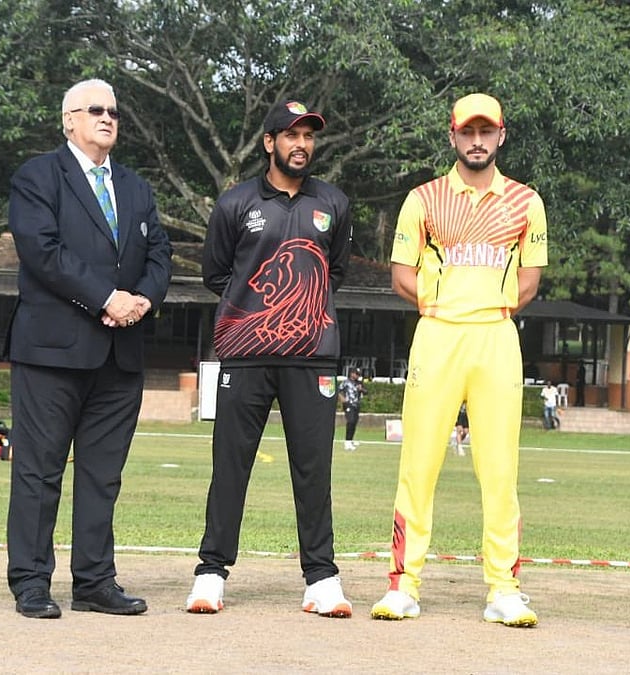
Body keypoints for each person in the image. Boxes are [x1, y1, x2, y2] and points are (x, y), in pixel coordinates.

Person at [370, 93, 547, 626]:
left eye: (486, 132)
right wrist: (443, 305)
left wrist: (486, 308)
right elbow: (401, 272)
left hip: (496, 337)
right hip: (438, 336)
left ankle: (504, 589)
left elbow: (531, 279)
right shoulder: (422, 199)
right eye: (467, 132)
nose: (477, 141)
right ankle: (403, 585)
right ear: (453, 136)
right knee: (418, 464)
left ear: (501, 136)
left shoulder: (525, 200)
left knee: (500, 469)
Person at [5, 78, 171, 620]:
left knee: (103, 475)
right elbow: (41, 250)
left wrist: (141, 300)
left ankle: (95, 581)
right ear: (68, 119)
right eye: (95, 110)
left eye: (114, 112)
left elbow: (160, 254)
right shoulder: (38, 176)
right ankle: (31, 581)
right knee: (39, 470)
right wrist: (105, 297)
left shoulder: (136, 188)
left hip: (120, 354)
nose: (107, 118)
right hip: (52, 351)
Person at [185, 99, 354, 617]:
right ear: (269, 142)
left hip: (313, 355)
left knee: (313, 468)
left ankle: (322, 579)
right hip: (245, 353)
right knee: (230, 467)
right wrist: (258, 309)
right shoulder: (235, 202)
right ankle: (211, 573)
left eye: (308, 136)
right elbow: (218, 274)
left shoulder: (334, 203)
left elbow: (336, 271)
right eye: (291, 135)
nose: (301, 145)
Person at [338, 367, 367, 451]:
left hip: (356, 405)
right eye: (356, 374)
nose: (357, 376)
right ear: (352, 374)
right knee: (350, 421)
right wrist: (342, 399)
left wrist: (361, 389)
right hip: (348, 404)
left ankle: (350, 440)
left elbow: (366, 392)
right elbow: (339, 390)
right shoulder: (346, 382)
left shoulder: (359, 383)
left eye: (359, 374)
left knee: (354, 422)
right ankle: (347, 442)